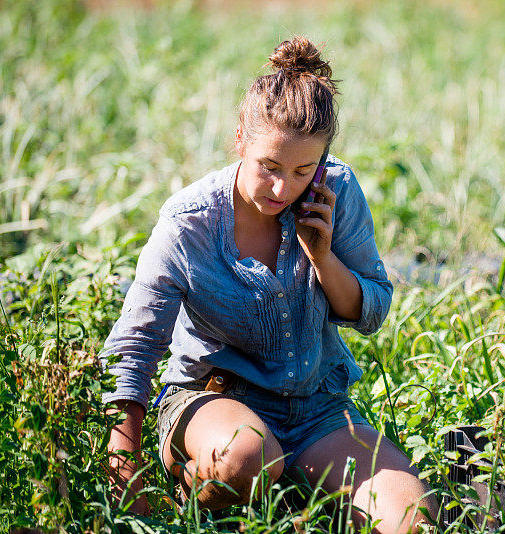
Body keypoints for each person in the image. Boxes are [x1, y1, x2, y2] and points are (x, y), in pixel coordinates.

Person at [100, 36, 437, 533]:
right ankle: (197, 489)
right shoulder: (189, 223)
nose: (284, 189)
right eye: (270, 167)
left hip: (317, 408)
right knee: (247, 460)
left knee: (412, 520)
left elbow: (371, 310)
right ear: (241, 139)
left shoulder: (336, 190)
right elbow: (136, 348)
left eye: (303, 170)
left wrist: (322, 258)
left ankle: (287, 497)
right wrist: (126, 477)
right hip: (213, 400)